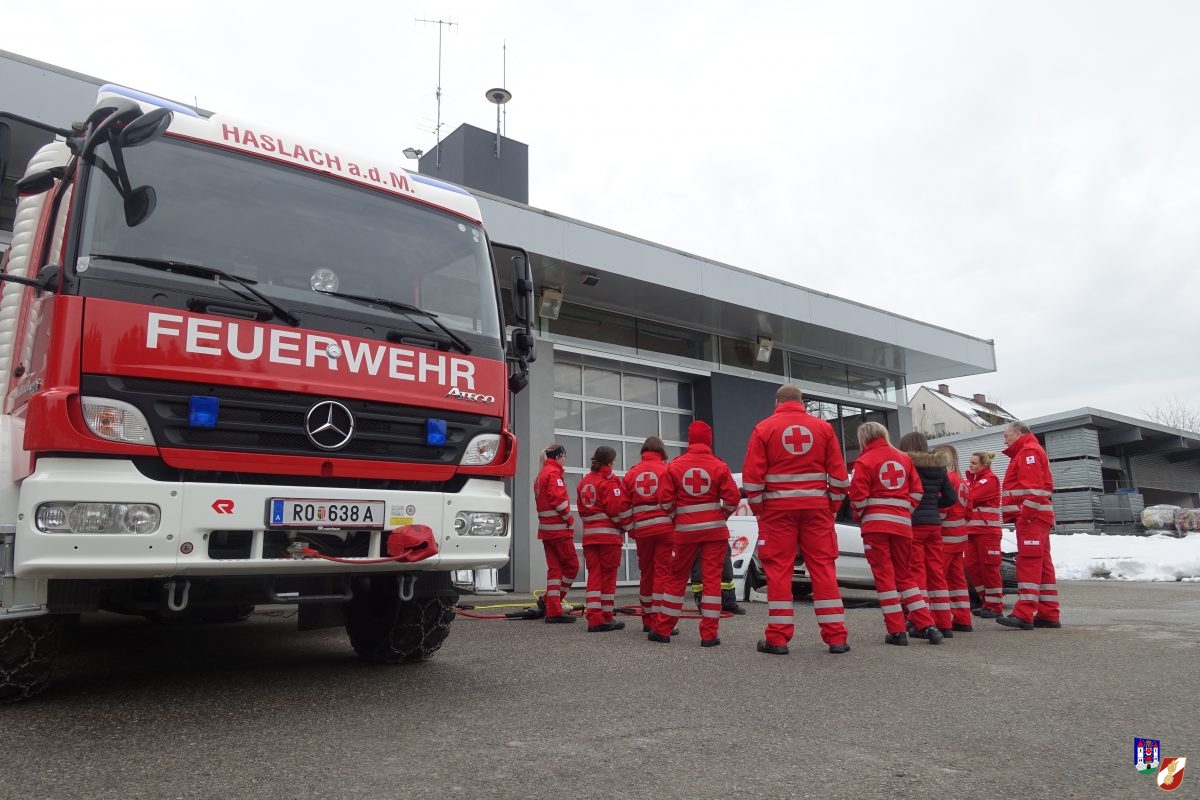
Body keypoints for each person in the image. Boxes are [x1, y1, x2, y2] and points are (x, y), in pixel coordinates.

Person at [742, 384, 850, 656]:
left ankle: (778, 639)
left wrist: (760, 511)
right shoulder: (824, 429)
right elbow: (839, 478)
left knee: (779, 571)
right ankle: (836, 638)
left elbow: (752, 480)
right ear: (802, 401)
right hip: (816, 510)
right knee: (824, 568)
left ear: (776, 401)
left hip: (777, 512)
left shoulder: (763, 428)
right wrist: (832, 508)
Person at [848, 422, 943, 646]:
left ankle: (897, 631)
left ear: (863, 438)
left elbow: (858, 498)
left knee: (885, 578)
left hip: (876, 527)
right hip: (902, 526)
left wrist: (859, 516)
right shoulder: (904, 458)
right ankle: (929, 626)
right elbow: (917, 491)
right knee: (906, 577)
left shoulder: (864, 461)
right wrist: (903, 512)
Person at [648, 421, 740, 647]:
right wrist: (722, 516)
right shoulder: (719, 465)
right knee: (712, 582)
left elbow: (664, 499)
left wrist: (676, 517)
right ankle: (709, 635)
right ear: (709, 440)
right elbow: (733, 498)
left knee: (676, 578)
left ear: (689, 440)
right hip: (714, 533)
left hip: (685, 532)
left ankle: (662, 629)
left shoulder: (676, 466)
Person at [998, 422, 1061, 630]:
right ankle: (1048, 613)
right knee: (1042, 566)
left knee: (1029, 563)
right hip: (1037, 517)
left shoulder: (1028, 452)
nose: (1004, 439)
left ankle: (1024, 613)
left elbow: (1034, 490)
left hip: (1032, 518)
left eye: (1006, 435)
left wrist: (1025, 516)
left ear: (1018, 433)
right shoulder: (1030, 451)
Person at [898, 432, 958, 639]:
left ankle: (919, 620)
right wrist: (933, 506)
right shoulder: (938, 465)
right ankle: (944, 623)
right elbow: (951, 497)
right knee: (936, 572)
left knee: (916, 573)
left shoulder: (907, 464)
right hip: (934, 526)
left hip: (914, 525)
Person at [622, 436, 676, 634]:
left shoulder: (631, 473)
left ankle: (647, 619)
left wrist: (630, 529)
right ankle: (659, 620)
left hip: (642, 531)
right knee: (662, 573)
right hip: (665, 530)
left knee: (646, 573)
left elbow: (623, 506)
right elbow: (674, 499)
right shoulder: (668, 470)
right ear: (661, 451)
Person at [577, 446, 632, 632]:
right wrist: (624, 526)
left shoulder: (584, 482)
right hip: (608, 537)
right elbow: (615, 511)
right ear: (609, 462)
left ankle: (593, 618)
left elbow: (583, 512)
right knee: (608, 577)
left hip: (590, 537)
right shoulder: (609, 482)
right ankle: (606, 617)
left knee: (594, 576)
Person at [533, 443, 578, 624]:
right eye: (564, 457)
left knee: (555, 570)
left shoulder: (541, 474)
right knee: (572, 566)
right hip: (559, 530)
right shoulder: (553, 473)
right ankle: (552, 605)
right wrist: (569, 519)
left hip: (546, 532)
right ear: (559, 456)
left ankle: (551, 606)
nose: (565, 460)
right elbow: (558, 501)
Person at [934, 444, 974, 632]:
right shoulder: (963, 481)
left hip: (945, 538)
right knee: (957, 579)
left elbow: (942, 509)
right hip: (960, 537)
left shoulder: (947, 480)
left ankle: (939, 619)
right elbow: (968, 511)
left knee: (938, 579)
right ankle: (963, 618)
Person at [963, 450, 1004, 619]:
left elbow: (970, 497)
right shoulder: (971, 481)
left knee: (989, 568)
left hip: (987, 532)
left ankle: (995, 605)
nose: (970, 466)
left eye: (974, 463)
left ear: (984, 465)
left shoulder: (990, 479)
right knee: (971, 567)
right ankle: (985, 601)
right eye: (970, 462)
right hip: (972, 531)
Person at [689, 546, 747, 616]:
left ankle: (728, 604)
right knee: (700, 572)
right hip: (698, 538)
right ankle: (704, 604)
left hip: (719, 538)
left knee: (726, 572)